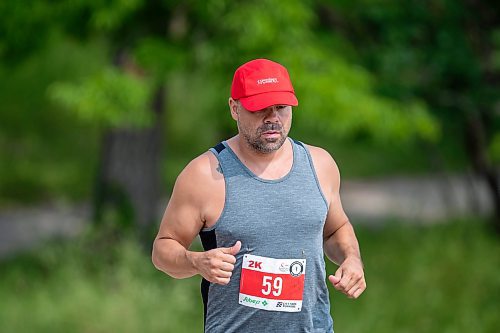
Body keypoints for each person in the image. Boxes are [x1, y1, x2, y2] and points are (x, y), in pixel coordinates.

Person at [152, 58, 366, 332]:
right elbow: (162, 250)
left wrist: (352, 259)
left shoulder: (320, 164)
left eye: (281, 108)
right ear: (234, 108)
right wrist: (196, 262)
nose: (272, 119)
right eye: (260, 109)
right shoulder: (204, 174)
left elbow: (336, 229)